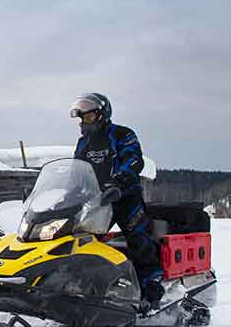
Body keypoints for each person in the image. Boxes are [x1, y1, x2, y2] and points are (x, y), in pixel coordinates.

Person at [70, 93, 164, 307]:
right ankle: (76, 283)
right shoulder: (84, 143)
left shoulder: (122, 134)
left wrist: (118, 182)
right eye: (82, 118)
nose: (84, 122)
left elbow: (134, 160)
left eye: (89, 117)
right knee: (76, 238)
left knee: (137, 235)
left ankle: (151, 285)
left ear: (102, 114)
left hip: (124, 196)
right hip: (94, 201)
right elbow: (76, 170)